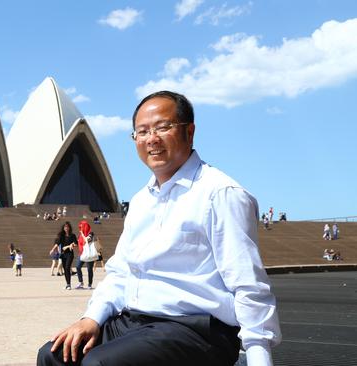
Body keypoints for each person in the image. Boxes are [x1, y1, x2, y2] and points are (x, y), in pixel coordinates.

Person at [37, 91, 280, 366]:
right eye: (142, 132)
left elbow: (248, 282)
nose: (151, 139)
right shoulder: (141, 200)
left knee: (100, 364)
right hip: (136, 323)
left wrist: (260, 355)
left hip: (197, 329)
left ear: (190, 131)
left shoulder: (220, 194)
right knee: (53, 355)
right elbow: (121, 272)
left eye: (163, 127)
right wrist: (90, 319)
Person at [55, 222, 77, 290]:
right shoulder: (61, 235)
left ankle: (69, 285)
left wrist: (70, 245)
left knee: (67, 267)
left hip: (70, 254)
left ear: (69, 227)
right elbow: (57, 243)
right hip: (63, 254)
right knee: (65, 269)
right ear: (63, 228)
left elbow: (76, 243)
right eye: (65, 227)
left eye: (67, 227)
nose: (66, 228)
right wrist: (53, 249)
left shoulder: (72, 235)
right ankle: (68, 284)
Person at [75, 220, 95, 290]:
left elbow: (87, 240)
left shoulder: (91, 233)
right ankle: (81, 282)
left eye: (82, 227)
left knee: (89, 269)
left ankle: (90, 284)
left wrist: (83, 234)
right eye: (80, 227)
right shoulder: (80, 234)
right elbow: (79, 243)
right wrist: (73, 244)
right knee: (77, 266)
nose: (80, 228)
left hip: (89, 254)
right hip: (81, 254)